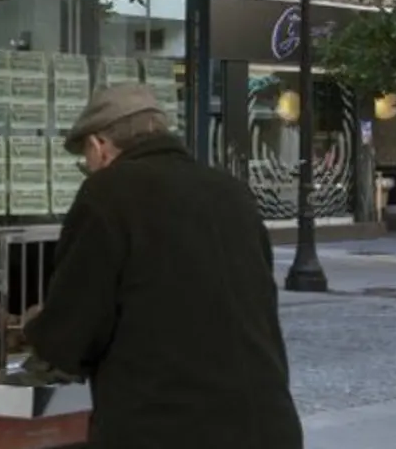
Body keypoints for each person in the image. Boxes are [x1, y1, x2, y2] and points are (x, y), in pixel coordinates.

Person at [21, 83, 302, 449]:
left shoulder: (108, 192)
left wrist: (34, 329)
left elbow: (74, 332)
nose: (88, 169)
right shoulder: (230, 191)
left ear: (99, 146)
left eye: (84, 161)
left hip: (167, 428)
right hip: (269, 426)